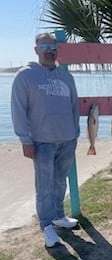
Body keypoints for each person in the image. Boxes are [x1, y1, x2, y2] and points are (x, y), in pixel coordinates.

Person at [11, 33, 80, 247]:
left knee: (60, 182)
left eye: (53, 46)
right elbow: (18, 110)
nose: (49, 50)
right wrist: (25, 140)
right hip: (42, 142)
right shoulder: (25, 76)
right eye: (45, 46)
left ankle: (59, 216)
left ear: (57, 49)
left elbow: (74, 106)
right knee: (44, 186)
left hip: (67, 139)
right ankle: (47, 225)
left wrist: (75, 133)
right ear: (36, 49)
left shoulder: (66, 76)